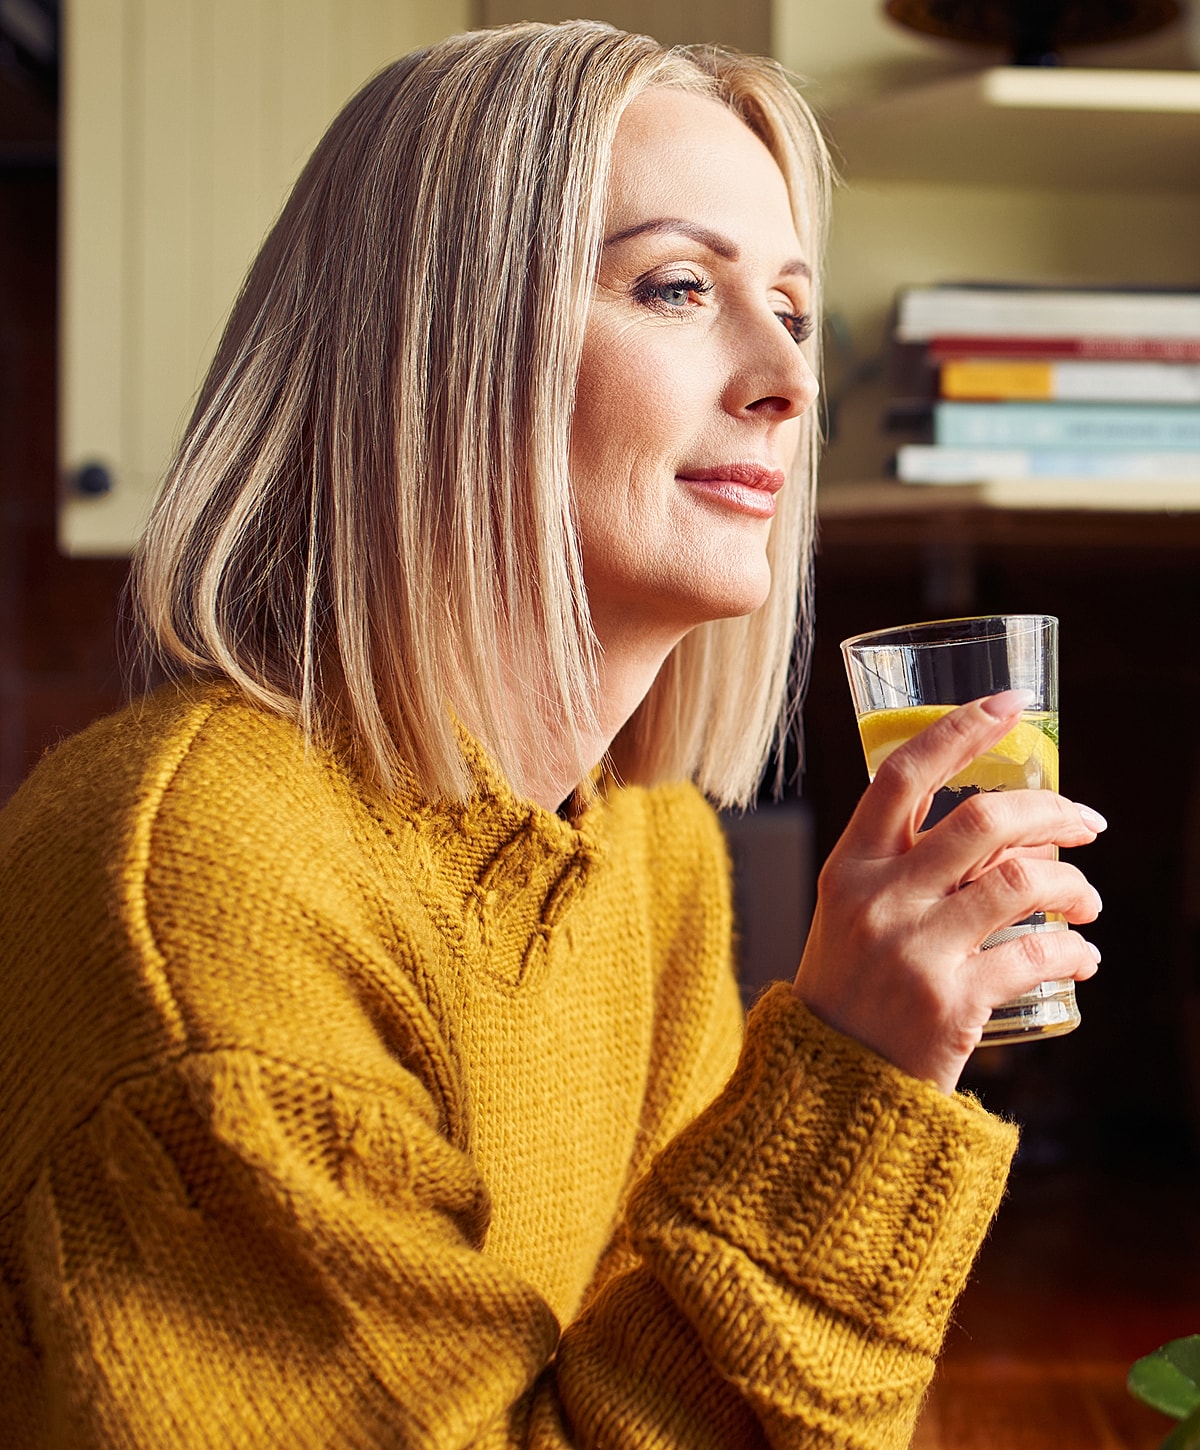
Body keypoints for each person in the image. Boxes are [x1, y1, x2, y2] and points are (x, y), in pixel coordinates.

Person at [0, 20, 1104, 1447]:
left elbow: (683, 1385)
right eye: (679, 285)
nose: (785, 376)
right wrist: (855, 1087)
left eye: (793, 304)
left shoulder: (647, 848)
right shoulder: (207, 893)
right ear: (435, 344)